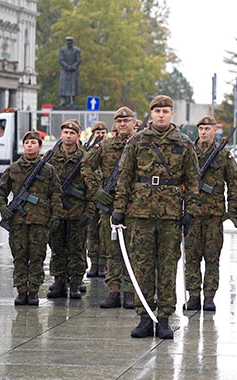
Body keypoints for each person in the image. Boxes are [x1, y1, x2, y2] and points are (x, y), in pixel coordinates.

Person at [113, 95, 200, 339]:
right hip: (139, 213)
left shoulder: (183, 143)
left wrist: (191, 210)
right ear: (150, 114)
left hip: (170, 215)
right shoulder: (137, 141)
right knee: (142, 267)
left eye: (165, 111)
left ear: (172, 114)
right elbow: (125, 176)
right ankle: (144, 317)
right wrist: (119, 208)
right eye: (157, 111)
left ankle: (163, 318)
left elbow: (193, 180)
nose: (161, 115)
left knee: (167, 267)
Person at [0, 131, 62, 306]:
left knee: (37, 257)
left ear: (40, 147)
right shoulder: (13, 168)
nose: (30, 145)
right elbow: (0, 191)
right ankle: (21, 290)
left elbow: (56, 194)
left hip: (40, 221)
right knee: (20, 257)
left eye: (33, 142)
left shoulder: (48, 170)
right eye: (27, 143)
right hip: (18, 222)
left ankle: (33, 291)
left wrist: (55, 215)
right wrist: (3, 208)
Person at [184, 115, 237, 312]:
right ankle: (193, 295)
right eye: (200, 128)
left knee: (212, 257)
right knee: (191, 257)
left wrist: (232, 209)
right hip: (191, 213)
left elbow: (234, 182)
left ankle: (209, 296)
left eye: (207, 128)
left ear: (214, 130)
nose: (203, 132)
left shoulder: (223, 154)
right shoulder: (188, 151)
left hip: (213, 214)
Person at [83, 106, 137, 309]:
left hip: (134, 205)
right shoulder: (104, 145)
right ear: (115, 124)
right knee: (112, 249)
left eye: (126, 121)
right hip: (109, 205)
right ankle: (114, 291)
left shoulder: (141, 143)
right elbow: (86, 165)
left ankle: (131, 292)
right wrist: (95, 189)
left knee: (132, 250)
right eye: (119, 121)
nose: (122, 124)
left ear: (134, 122)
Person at [46, 120, 93, 299]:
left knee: (77, 249)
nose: (68, 136)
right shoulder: (51, 156)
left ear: (78, 136)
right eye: (65, 132)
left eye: (72, 133)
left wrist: (89, 211)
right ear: (61, 134)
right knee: (57, 248)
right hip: (57, 212)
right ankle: (59, 282)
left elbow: (91, 186)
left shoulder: (85, 157)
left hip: (77, 212)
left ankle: (75, 283)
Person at [86, 120, 109, 278]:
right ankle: (93, 263)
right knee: (92, 232)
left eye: (103, 133)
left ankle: (103, 263)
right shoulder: (88, 150)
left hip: (106, 196)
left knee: (104, 232)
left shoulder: (109, 149)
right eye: (97, 133)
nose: (100, 135)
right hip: (91, 196)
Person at [58, 36, 81, 106]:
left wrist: (73, 66)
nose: (69, 43)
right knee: (63, 86)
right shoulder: (62, 50)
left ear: (72, 42)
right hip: (65, 70)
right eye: (68, 41)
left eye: (70, 41)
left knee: (73, 86)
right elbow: (61, 59)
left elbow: (78, 60)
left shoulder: (77, 50)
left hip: (73, 71)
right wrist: (67, 66)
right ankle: (63, 100)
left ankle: (72, 101)